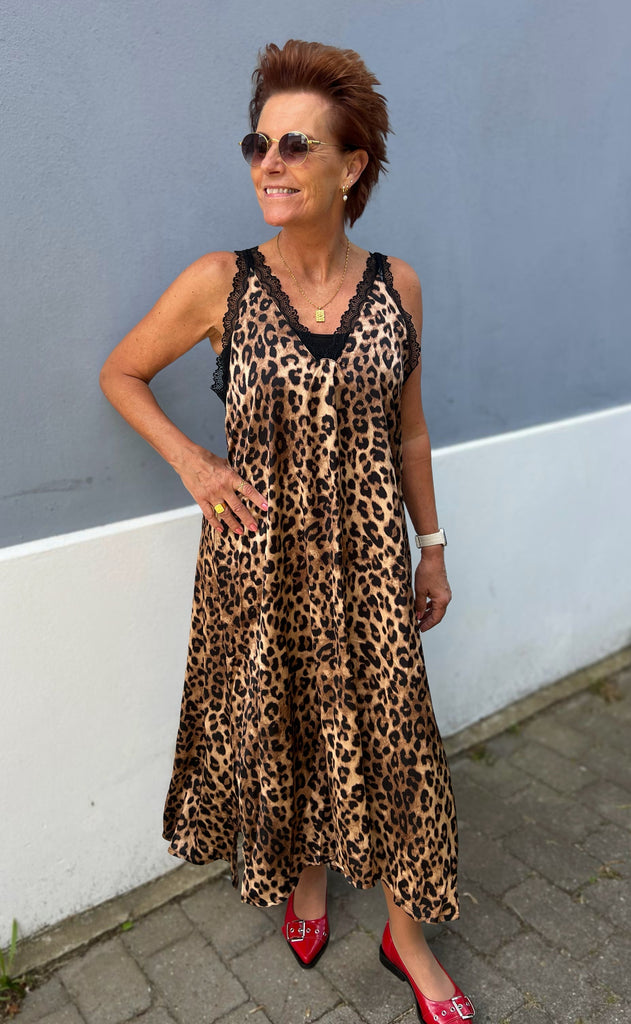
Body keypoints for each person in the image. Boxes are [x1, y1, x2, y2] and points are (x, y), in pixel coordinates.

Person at [100, 39, 474, 1024]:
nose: (268, 162)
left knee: (395, 749)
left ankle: (405, 936)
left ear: (351, 167)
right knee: (289, 729)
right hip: (259, 568)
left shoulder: (398, 286)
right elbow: (120, 373)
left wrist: (433, 548)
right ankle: (307, 879)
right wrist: (193, 463)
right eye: (257, 144)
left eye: (294, 145)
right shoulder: (219, 282)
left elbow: (410, 430)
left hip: (372, 568)